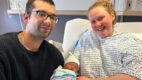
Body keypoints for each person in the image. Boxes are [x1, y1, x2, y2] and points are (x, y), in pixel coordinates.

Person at [74, 0, 142, 80]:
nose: (98, 24)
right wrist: (71, 64)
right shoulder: (86, 38)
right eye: (93, 21)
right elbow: (74, 59)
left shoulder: (129, 41)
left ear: (112, 16)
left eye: (101, 18)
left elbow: (135, 76)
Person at [0, 0, 64, 80]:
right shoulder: (3, 49)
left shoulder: (55, 56)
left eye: (52, 17)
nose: (48, 22)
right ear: (26, 17)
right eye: (41, 14)